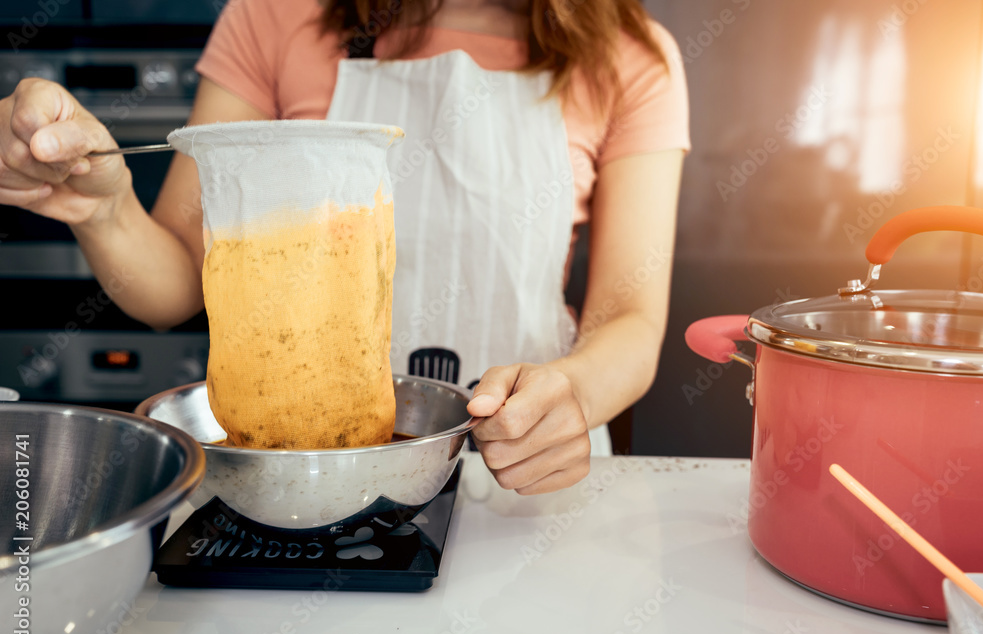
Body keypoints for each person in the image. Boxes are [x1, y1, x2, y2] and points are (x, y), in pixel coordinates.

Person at [0, 0, 688, 495]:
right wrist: (105, 209)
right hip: (302, 483)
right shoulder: (273, 17)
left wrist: (573, 393)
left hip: (530, 478)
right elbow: (176, 282)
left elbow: (629, 318)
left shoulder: (630, 55)